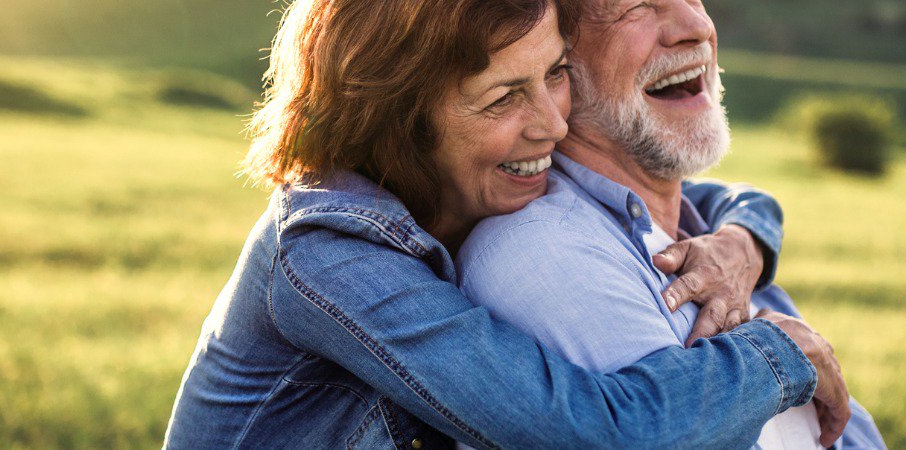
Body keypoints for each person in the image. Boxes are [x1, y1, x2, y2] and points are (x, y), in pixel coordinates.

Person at [163, 0, 846, 448]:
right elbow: (592, 435)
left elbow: (712, 194)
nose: (552, 123)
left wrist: (741, 239)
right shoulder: (329, 256)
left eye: (553, 74)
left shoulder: (467, 193)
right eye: (502, 99)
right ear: (400, 121)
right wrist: (781, 354)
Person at [454, 0, 888, 448]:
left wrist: (746, 235)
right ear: (556, 61)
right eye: (635, 7)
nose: (697, 26)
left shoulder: (715, 241)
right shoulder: (543, 253)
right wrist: (783, 352)